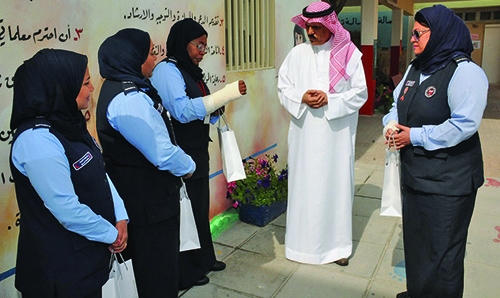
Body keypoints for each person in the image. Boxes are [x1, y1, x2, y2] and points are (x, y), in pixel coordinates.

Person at [382, 5, 488, 298]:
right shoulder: (416, 68)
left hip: (448, 183)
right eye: (412, 32)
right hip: (416, 177)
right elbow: (395, 104)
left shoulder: (465, 73)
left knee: (442, 255)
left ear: (439, 33)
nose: (412, 39)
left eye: (418, 33)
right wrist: (390, 124)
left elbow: (463, 124)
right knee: (418, 246)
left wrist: (413, 136)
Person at [9, 48, 129, 298]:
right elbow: (66, 209)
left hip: (87, 259)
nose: (92, 89)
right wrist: (111, 234)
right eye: (85, 83)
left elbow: (99, 171)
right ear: (60, 87)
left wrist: (120, 216)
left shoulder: (69, 122)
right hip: (59, 273)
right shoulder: (38, 140)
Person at [96, 28, 196, 298]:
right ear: (132, 57)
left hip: (143, 200)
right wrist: (188, 167)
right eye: (150, 52)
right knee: (156, 272)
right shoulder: (129, 100)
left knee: (154, 270)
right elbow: (161, 152)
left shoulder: (127, 88)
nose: (155, 58)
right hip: (147, 204)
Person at [150, 18, 247, 289]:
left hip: (196, 150)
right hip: (179, 153)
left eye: (205, 45)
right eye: (199, 45)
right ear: (183, 43)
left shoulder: (190, 71)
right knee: (185, 212)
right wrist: (221, 97)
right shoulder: (168, 71)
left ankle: (204, 259)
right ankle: (186, 271)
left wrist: (214, 110)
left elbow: (198, 108)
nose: (203, 51)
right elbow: (180, 111)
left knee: (199, 207)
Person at [277, 1, 368, 266]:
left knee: (335, 187)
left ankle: (337, 248)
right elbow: (283, 88)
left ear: (331, 26)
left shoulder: (350, 54)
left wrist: (330, 100)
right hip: (305, 134)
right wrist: (301, 96)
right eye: (308, 27)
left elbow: (360, 92)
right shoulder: (297, 55)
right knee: (304, 187)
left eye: (317, 27)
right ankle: (299, 247)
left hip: (336, 136)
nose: (311, 32)